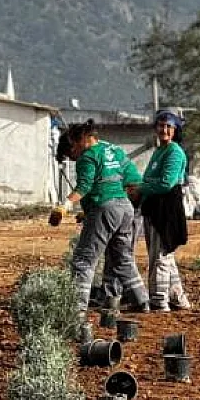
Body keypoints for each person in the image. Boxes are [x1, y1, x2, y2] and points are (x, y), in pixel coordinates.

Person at [52, 121, 148, 316]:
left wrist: (64, 206)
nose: (74, 154)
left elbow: (84, 186)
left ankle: (76, 308)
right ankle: (141, 300)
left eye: (73, 148)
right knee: (122, 258)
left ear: (82, 140)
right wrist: (96, 209)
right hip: (125, 208)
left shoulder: (87, 157)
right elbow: (134, 180)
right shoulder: (114, 150)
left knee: (84, 259)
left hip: (105, 208)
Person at [139, 109, 191, 311]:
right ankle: (177, 298)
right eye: (161, 125)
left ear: (175, 130)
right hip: (154, 207)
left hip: (167, 208)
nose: (164, 130)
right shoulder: (159, 151)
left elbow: (166, 183)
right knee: (163, 254)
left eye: (169, 126)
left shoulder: (174, 152)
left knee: (160, 255)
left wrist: (142, 188)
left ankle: (159, 301)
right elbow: (149, 179)